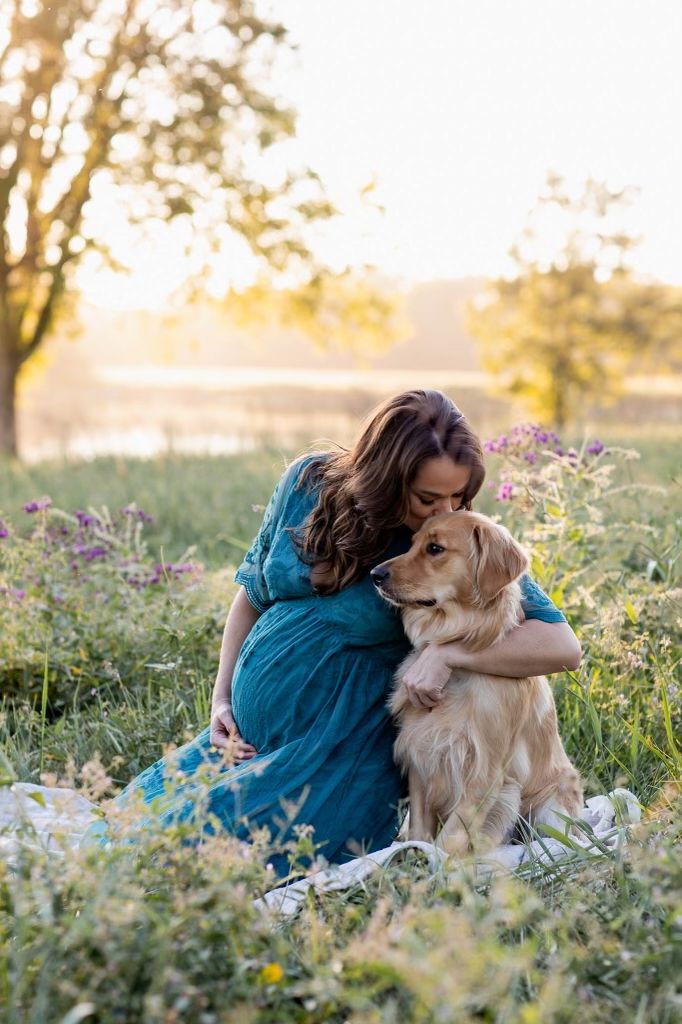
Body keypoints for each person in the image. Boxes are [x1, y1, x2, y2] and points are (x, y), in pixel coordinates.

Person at [83, 390, 580, 874]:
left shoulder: (448, 543)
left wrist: (450, 655)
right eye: (428, 496)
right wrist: (221, 699)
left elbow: (561, 645)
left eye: (458, 495)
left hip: (333, 751)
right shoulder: (308, 483)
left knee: (188, 862)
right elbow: (252, 595)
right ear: (387, 476)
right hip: (250, 740)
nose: (445, 510)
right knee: (121, 837)